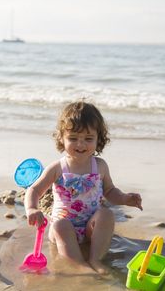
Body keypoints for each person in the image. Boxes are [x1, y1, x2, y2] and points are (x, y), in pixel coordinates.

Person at [24, 101, 142, 274]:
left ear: (98, 139)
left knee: (106, 214)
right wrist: (32, 208)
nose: (80, 145)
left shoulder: (100, 166)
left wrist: (124, 198)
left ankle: (95, 259)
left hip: (90, 228)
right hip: (64, 231)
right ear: (61, 139)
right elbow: (34, 189)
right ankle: (80, 264)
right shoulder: (57, 168)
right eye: (73, 138)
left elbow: (109, 191)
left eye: (88, 139)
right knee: (60, 225)